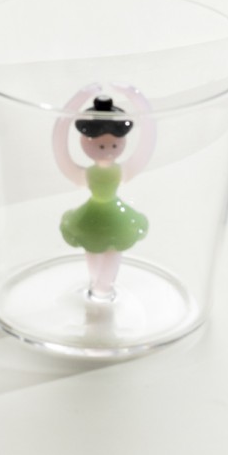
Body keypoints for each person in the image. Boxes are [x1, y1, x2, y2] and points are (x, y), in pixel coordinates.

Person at [53, 87, 155, 300]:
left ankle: (104, 286)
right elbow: (60, 152)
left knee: (114, 249)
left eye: (114, 144)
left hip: (115, 216)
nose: (107, 149)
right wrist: (77, 101)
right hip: (91, 216)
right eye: (100, 145)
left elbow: (146, 144)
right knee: (92, 248)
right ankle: (98, 286)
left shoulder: (120, 171)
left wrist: (135, 97)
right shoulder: (88, 174)